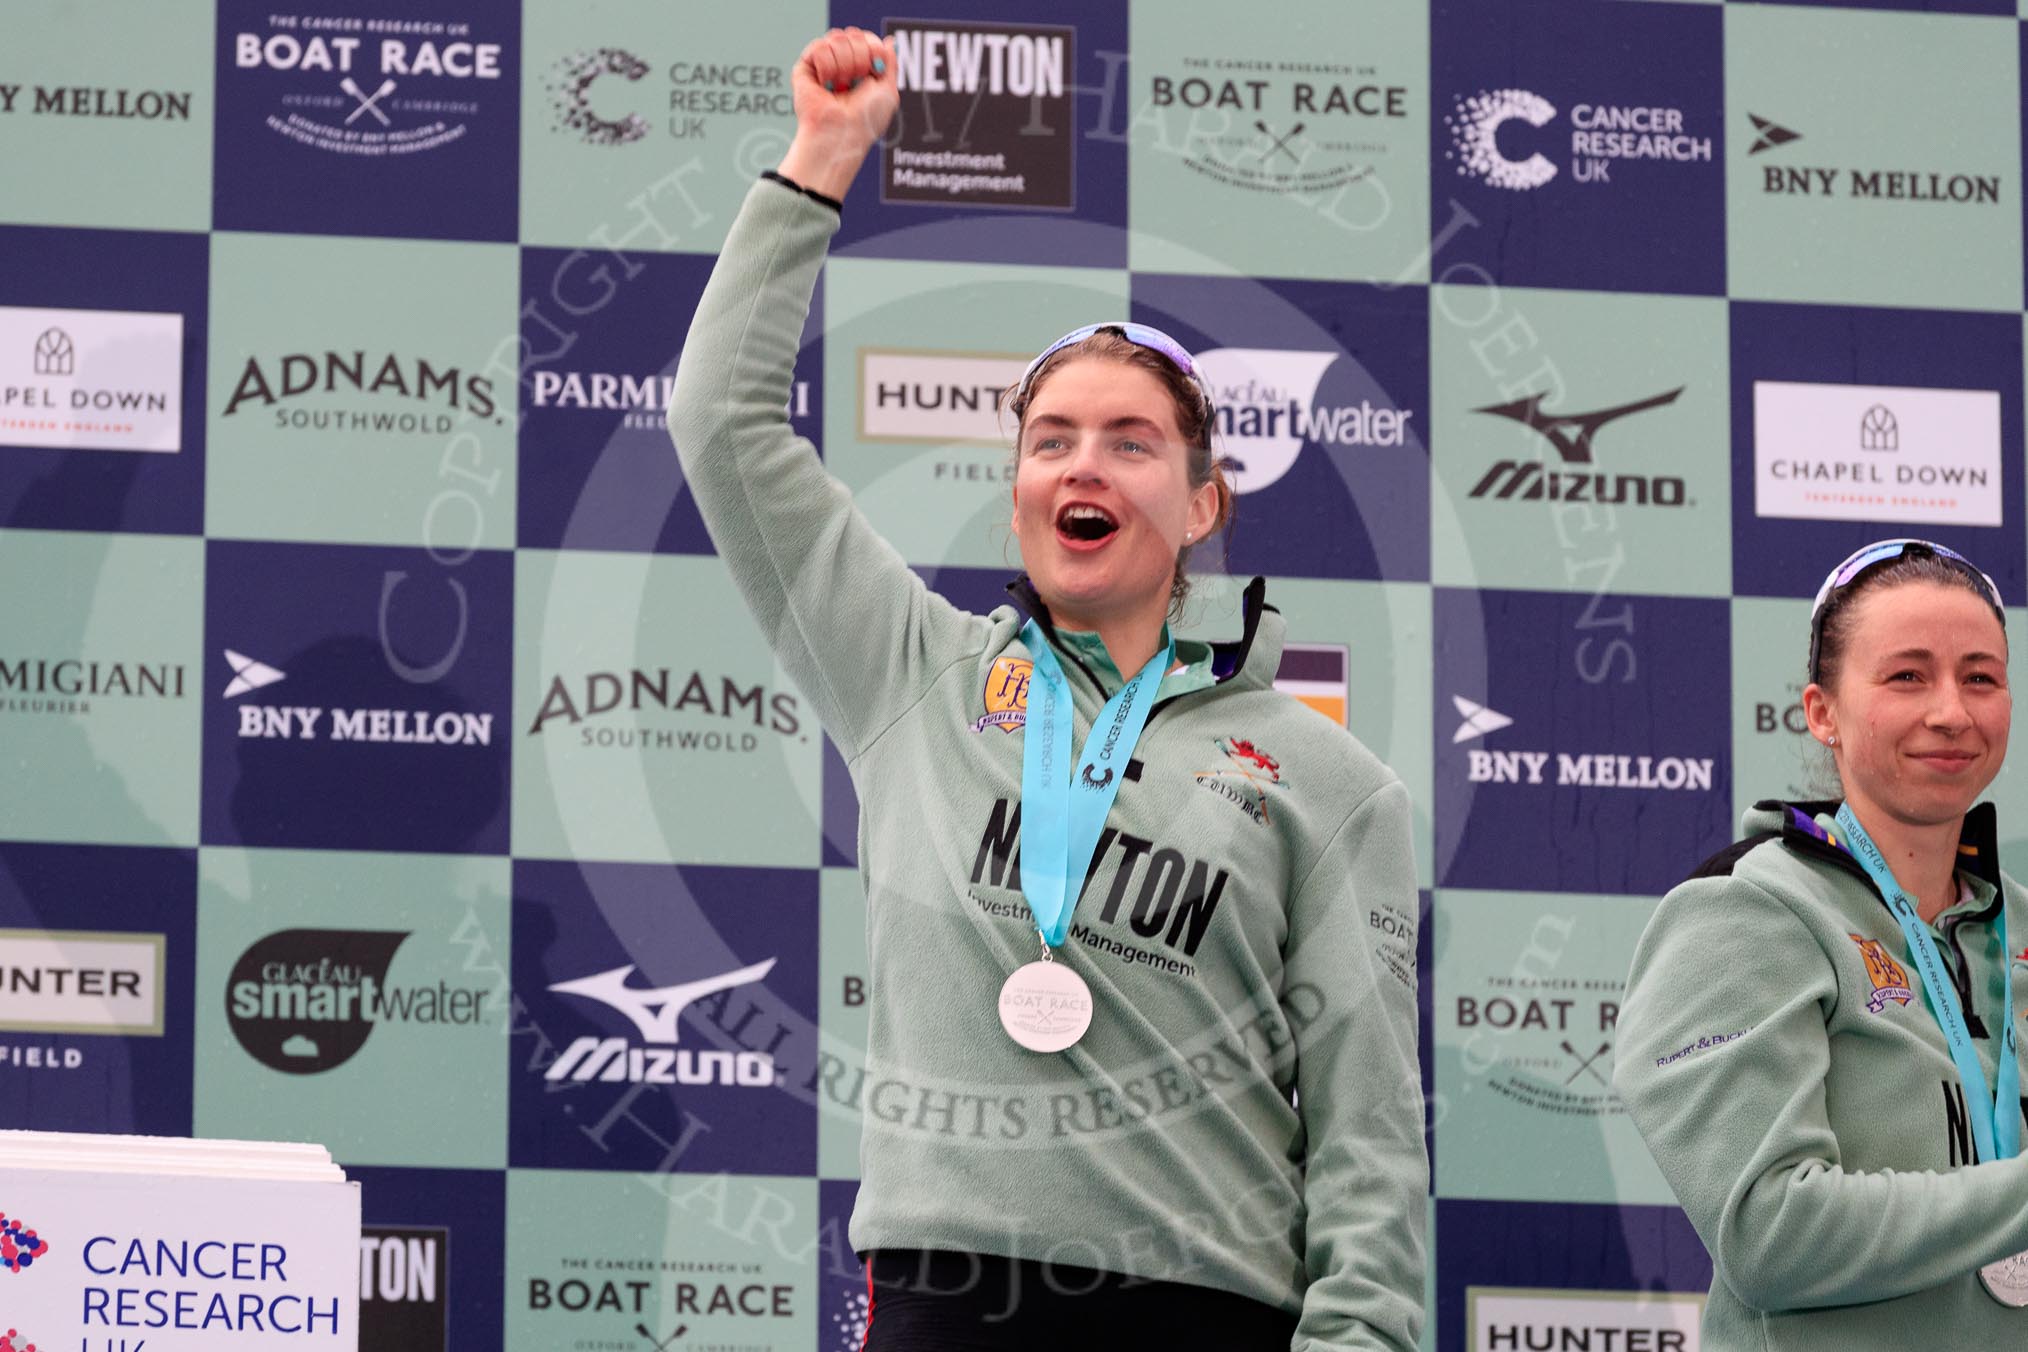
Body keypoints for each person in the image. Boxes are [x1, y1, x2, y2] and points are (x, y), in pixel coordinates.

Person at [666, 27, 1425, 1352]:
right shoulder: (913, 673)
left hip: (1209, 1309)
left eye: (1130, 443)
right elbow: (720, 425)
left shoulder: (1330, 783)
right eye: (1050, 439)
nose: (1083, 466)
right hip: (943, 1301)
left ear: (1200, 505)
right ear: (1017, 489)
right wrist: (823, 159)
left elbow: (1368, 1134)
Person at [1616, 538, 2028, 1346]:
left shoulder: (2017, 927)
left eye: (1980, 677)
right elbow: (1769, 1234)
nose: (1952, 710)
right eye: (1908, 675)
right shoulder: (1746, 912)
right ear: (1821, 712)